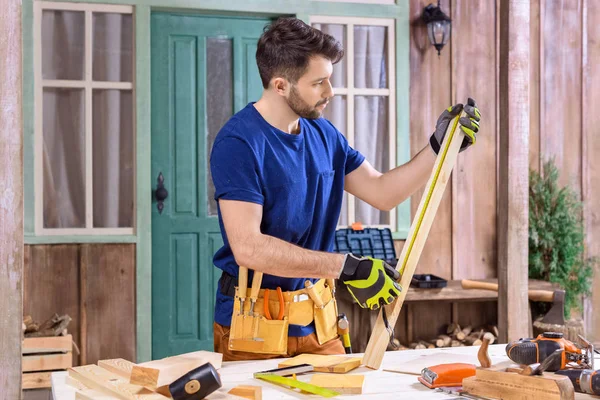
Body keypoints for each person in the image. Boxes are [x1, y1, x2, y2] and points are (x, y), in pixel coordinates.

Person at [210, 17, 481, 361]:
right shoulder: (239, 143)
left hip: (317, 318)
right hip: (254, 325)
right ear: (280, 86)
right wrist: (346, 266)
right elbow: (249, 248)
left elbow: (383, 191)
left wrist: (438, 148)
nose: (330, 93)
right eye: (318, 83)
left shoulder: (324, 135)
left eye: (330, 80)